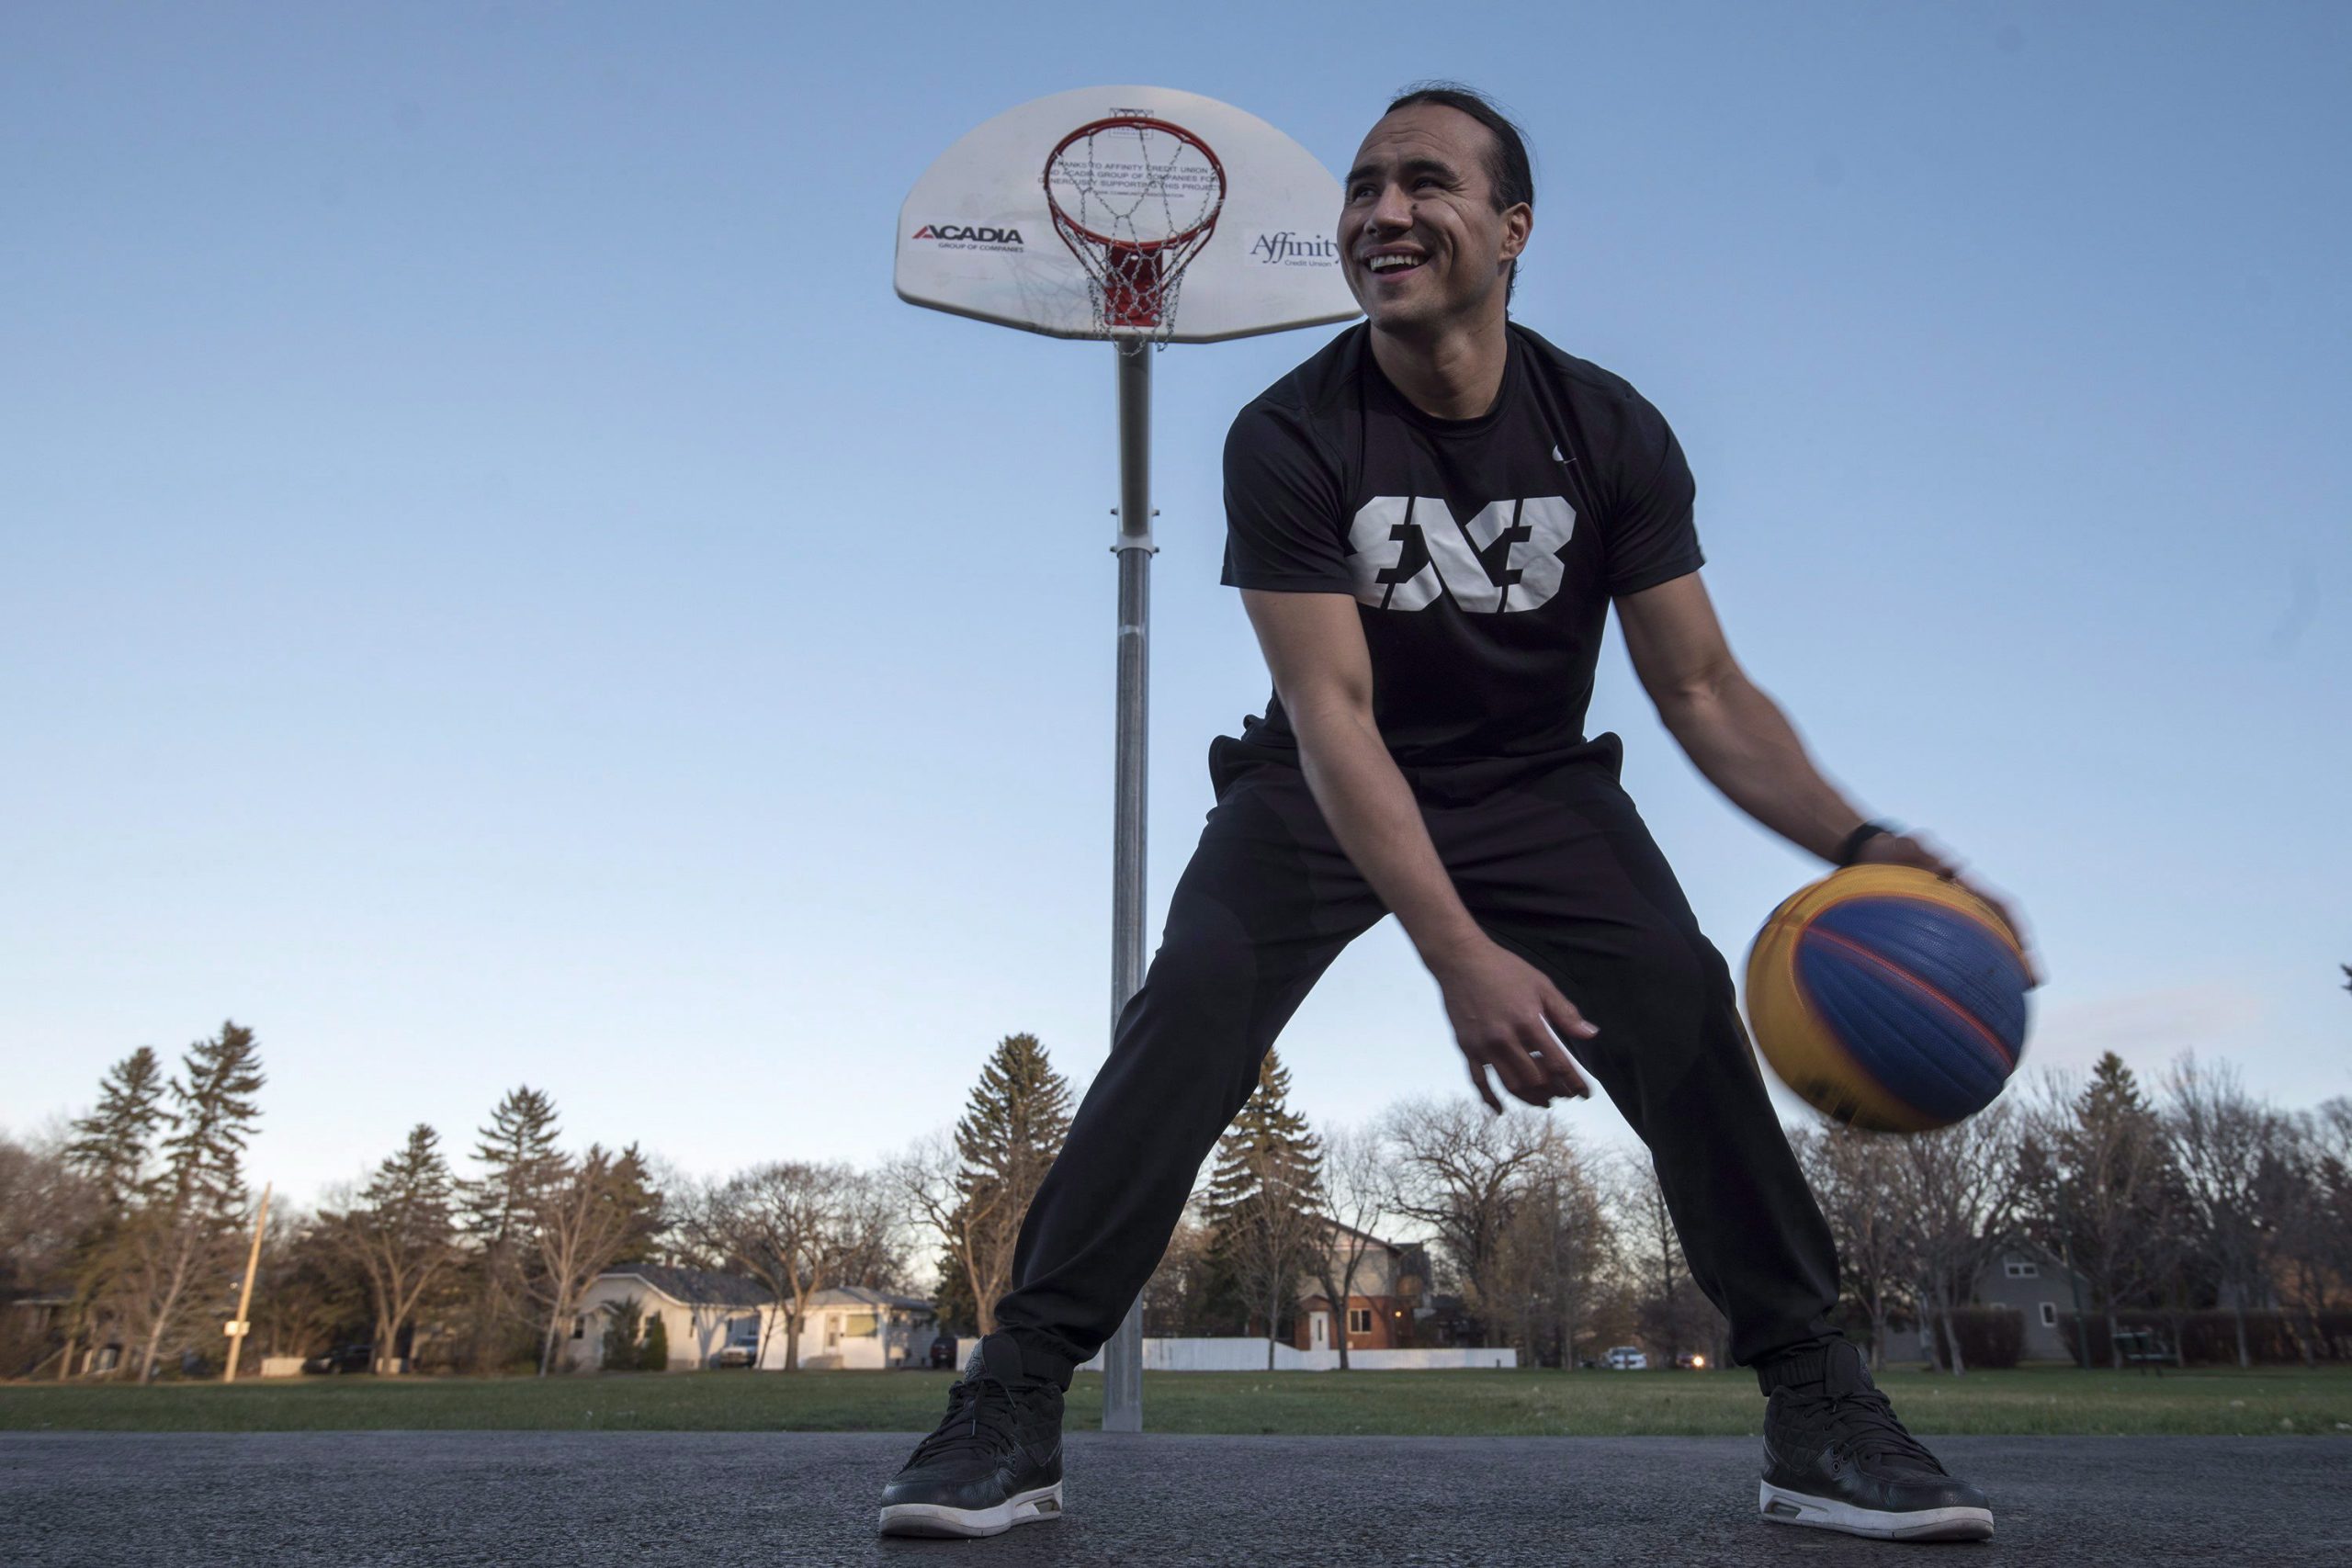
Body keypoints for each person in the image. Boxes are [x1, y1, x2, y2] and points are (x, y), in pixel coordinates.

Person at [878, 83, 2036, 1546]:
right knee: (1195, 1000)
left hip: (1534, 784)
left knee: (1680, 1000)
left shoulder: (1609, 430)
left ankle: (1820, 1408)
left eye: (1424, 183)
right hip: (1321, 782)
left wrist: (1866, 848)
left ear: (1512, 228)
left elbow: (1704, 691)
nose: (1382, 211)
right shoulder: (1289, 434)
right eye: (1363, 188)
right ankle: (1010, 1402)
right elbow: (1334, 717)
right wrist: (1456, 952)